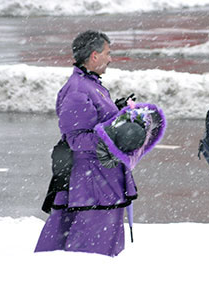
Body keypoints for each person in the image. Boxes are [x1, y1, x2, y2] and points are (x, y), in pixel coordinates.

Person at [35, 30, 137, 256]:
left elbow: (97, 124)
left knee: (99, 248)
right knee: (90, 255)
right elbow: (76, 139)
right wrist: (117, 133)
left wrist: (118, 113)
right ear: (94, 56)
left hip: (100, 182)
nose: (110, 58)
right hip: (92, 185)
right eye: (108, 53)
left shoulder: (91, 84)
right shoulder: (78, 89)